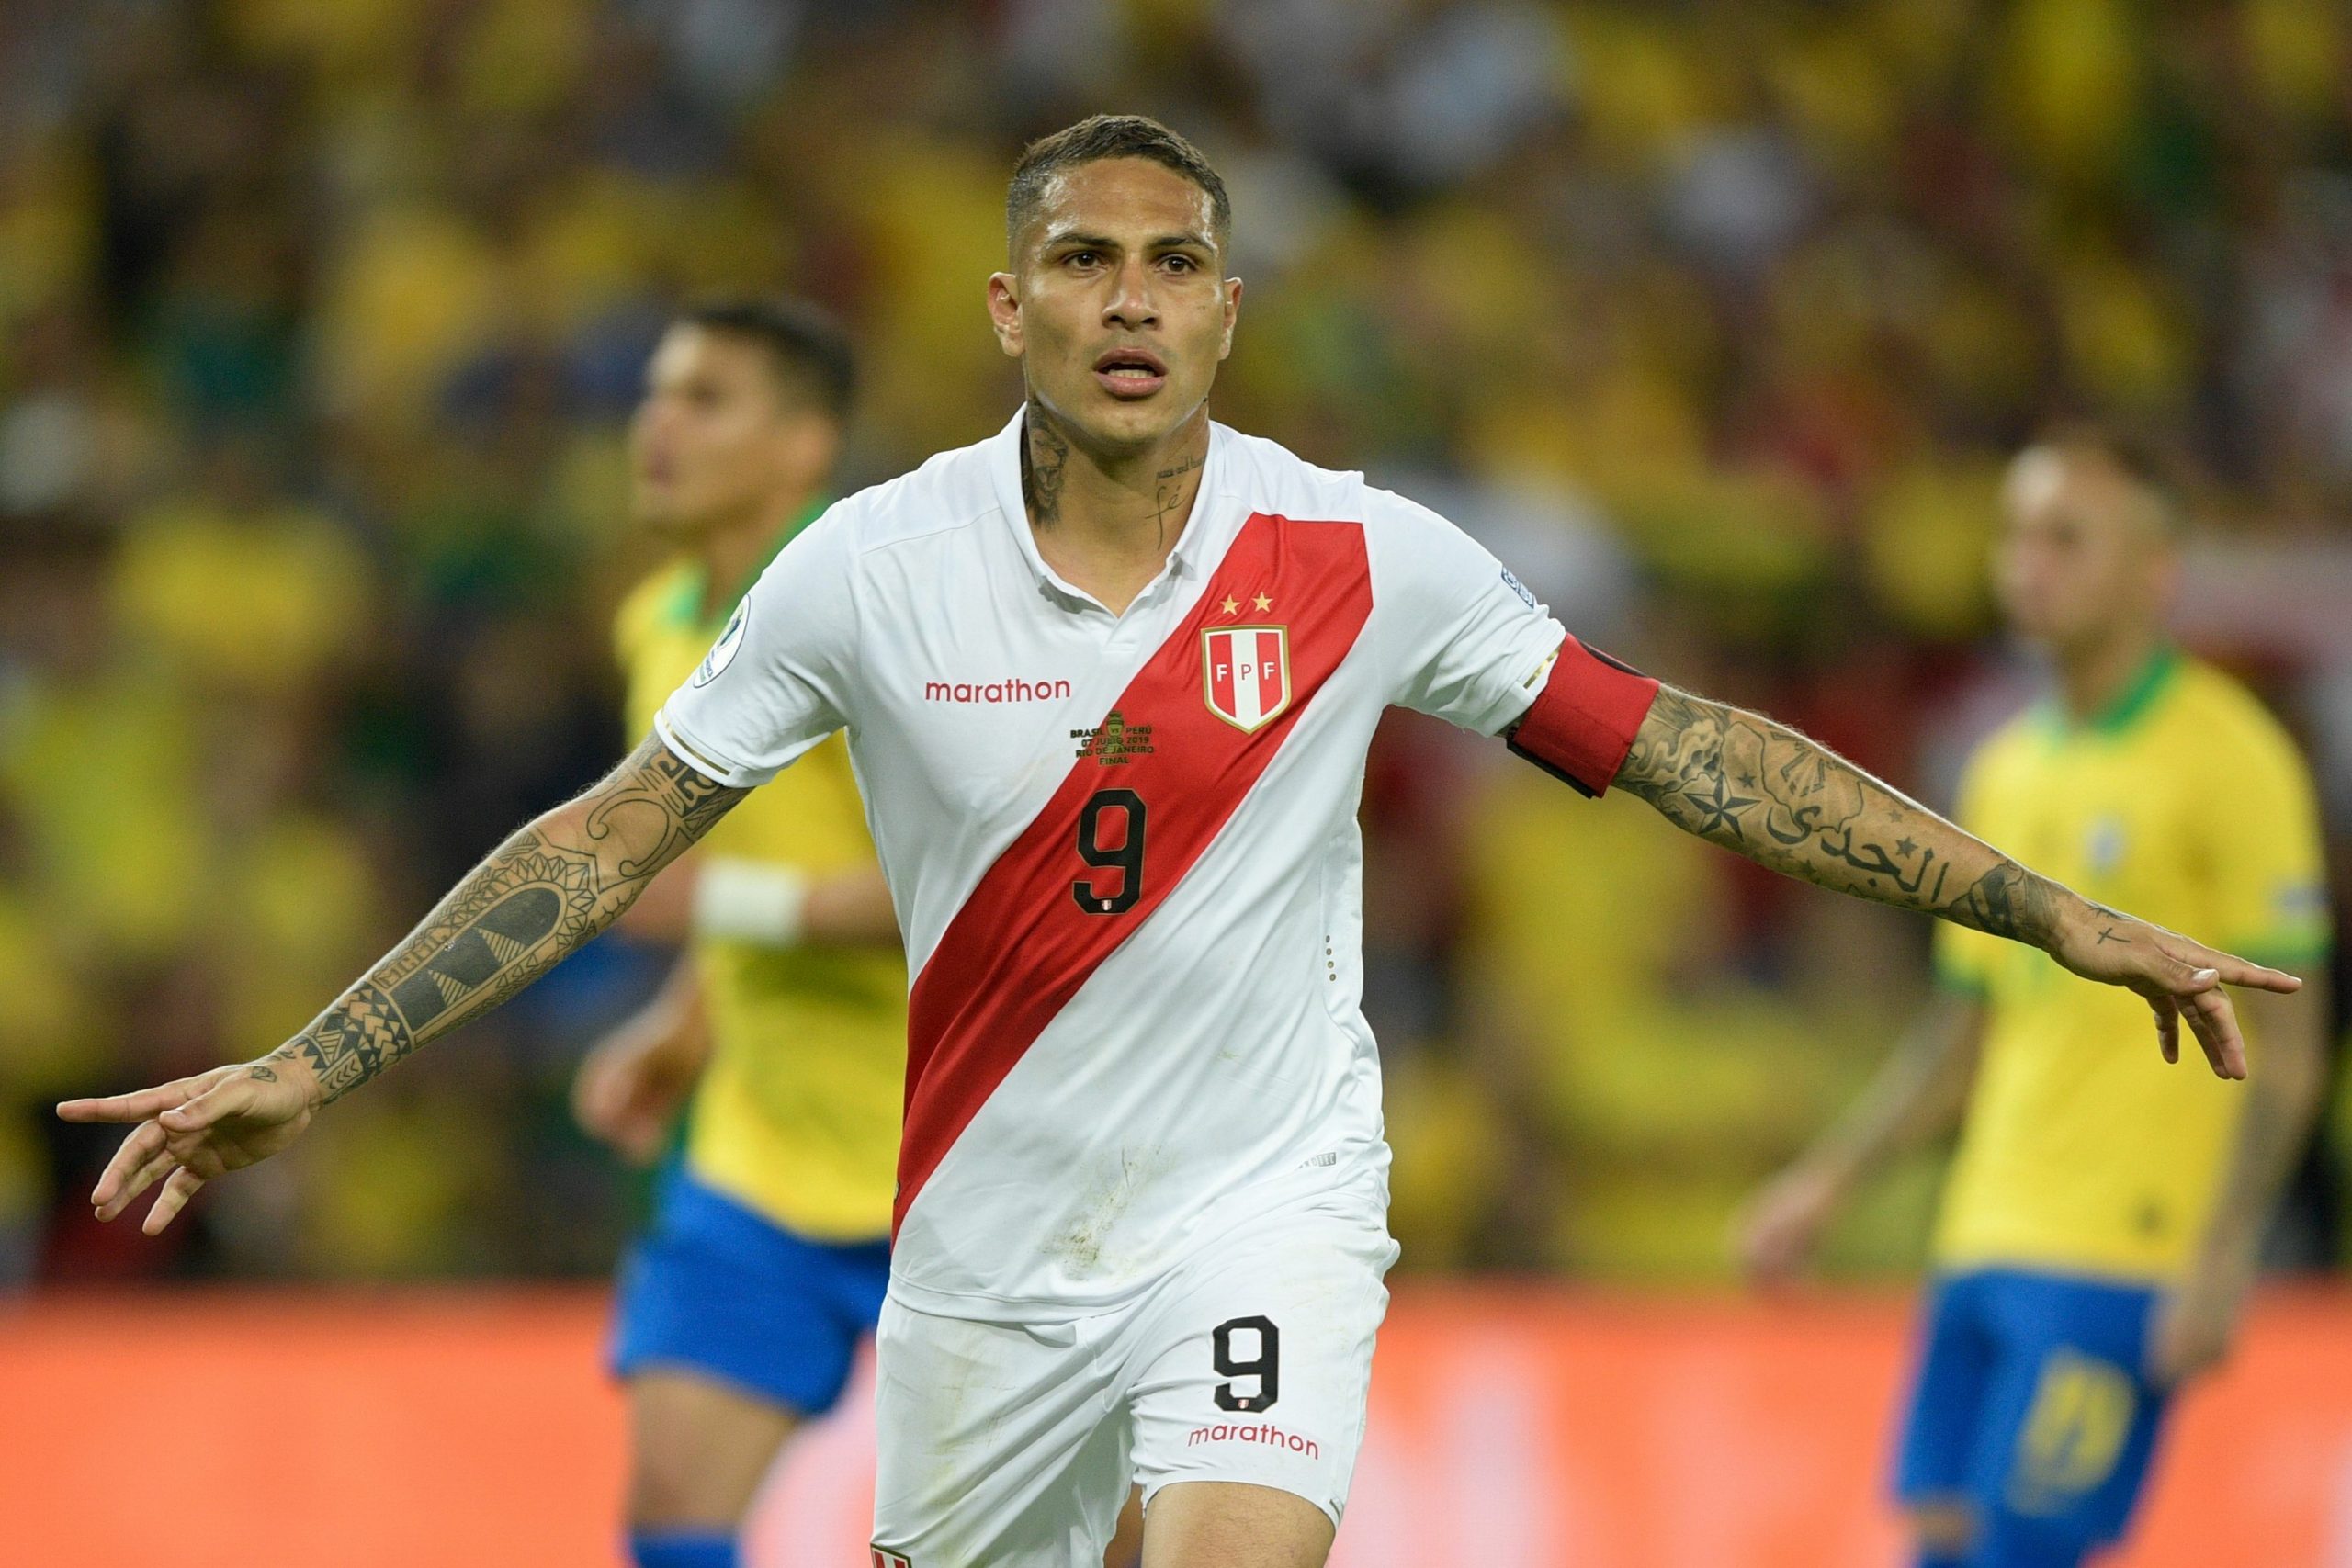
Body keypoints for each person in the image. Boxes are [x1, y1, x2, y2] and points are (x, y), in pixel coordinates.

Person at [62, 118, 2301, 1568]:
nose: (1127, 294)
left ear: (1225, 312)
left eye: (1170, 261)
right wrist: (317, 1057)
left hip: (1261, 1194)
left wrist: (2052, 908)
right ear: (1006, 304)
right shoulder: (867, 565)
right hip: (986, 1234)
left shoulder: (1352, 555)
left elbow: (1690, 747)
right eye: (1081, 256)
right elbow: (614, 824)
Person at [1736, 438, 2333, 1568]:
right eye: (2015, 536)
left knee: (2024, 1555)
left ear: (2155, 570)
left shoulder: (2233, 760)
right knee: (1942, 1548)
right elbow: (1965, 1027)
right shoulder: (2003, 766)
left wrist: (2223, 1255)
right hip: (1980, 1231)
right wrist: (1831, 1180)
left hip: (2123, 1248)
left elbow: (2294, 1042)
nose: (2028, 565)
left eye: (2065, 538)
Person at [574, 298, 906, 1568]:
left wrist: (717, 911)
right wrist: (685, 1024)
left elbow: (973, 887)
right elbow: (755, 853)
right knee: (674, 1508)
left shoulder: (885, 617)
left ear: (801, 445)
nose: (656, 422)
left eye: (707, 398)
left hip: (971, 1158)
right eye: (657, 391)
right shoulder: (656, 623)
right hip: (763, 1155)